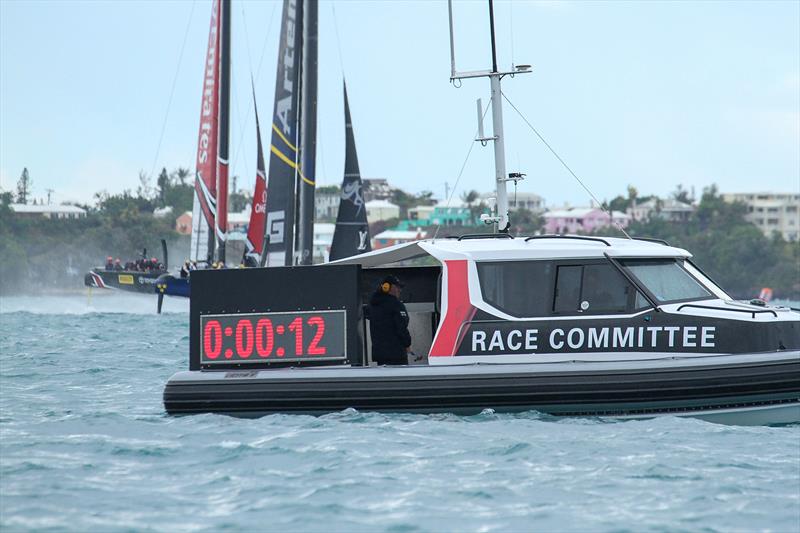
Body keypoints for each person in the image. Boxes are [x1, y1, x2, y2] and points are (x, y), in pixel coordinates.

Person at [367, 275, 412, 365]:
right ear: (388, 287)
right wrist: (407, 344)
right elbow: (401, 328)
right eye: (397, 287)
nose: (400, 290)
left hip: (380, 355)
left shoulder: (374, 305)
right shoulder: (396, 305)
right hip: (397, 355)